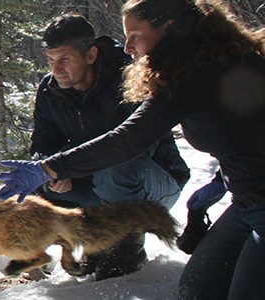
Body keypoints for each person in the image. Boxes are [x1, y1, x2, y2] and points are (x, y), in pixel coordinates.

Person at [0, 0, 265, 298]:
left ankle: (123, 249)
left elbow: (129, 141)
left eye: (135, 35)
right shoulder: (194, 67)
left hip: (249, 199)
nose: (128, 47)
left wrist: (50, 168)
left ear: (168, 28)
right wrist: (220, 182)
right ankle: (94, 243)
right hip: (246, 203)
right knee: (198, 289)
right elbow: (244, 133)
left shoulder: (195, 74)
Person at [30, 14, 191, 280]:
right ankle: (87, 244)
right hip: (98, 183)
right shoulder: (49, 92)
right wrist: (54, 170)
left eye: (65, 59)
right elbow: (43, 145)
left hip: (154, 182)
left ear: (91, 55)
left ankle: (127, 248)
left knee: (116, 170)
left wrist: (69, 167)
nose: (56, 69)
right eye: (51, 60)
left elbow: (134, 147)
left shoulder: (129, 79)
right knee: (34, 180)